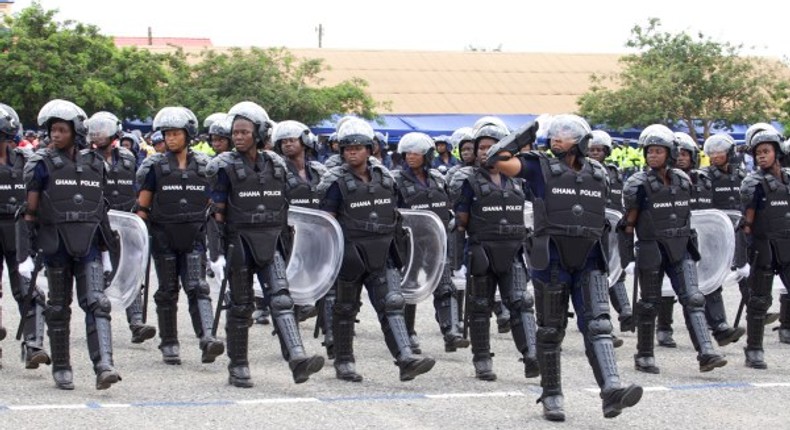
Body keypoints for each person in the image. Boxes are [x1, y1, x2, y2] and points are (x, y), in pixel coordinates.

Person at [487, 114, 642, 421]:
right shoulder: (537, 166)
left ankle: (611, 391)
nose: (557, 137)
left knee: (598, 324)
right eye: (554, 134)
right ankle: (552, 394)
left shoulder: (599, 172)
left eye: (566, 133)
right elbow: (497, 159)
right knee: (549, 331)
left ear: (582, 141)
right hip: (553, 257)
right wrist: (523, 135)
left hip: (590, 257)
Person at [206, 102, 324, 387]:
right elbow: (216, 212)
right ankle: (238, 366)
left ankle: (297, 359)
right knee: (241, 306)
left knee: (282, 300)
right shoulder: (222, 166)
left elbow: (286, 204)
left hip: (272, 241)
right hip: (239, 244)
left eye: (245, 131)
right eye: (236, 132)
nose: (239, 136)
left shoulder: (277, 164)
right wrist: (218, 251)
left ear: (258, 133)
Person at [317, 118, 435, 382]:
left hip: (383, 251)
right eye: (347, 148)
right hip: (349, 255)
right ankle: (344, 362)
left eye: (358, 147)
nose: (352, 152)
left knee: (393, 304)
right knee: (346, 309)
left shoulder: (385, 178)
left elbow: (401, 213)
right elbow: (326, 222)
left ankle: (405, 358)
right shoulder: (334, 181)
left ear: (370, 149)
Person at [20, 99, 121, 390]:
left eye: (61, 130)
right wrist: (26, 252)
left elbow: (101, 208)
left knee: (97, 303)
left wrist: (108, 251)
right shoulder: (40, 164)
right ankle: (62, 367)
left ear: (76, 132)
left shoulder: (94, 163)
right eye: (52, 130)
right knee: (58, 308)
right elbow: (30, 212)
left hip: (88, 242)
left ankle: (104, 366)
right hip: (56, 245)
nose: (55, 135)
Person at [619, 124, 728, 376]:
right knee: (649, 305)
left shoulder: (683, 179)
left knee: (694, 298)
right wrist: (628, 257)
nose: (653, 155)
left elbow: (685, 215)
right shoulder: (637, 183)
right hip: (651, 248)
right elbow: (628, 222)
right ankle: (644, 355)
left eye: (658, 151)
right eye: (649, 151)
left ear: (669, 153)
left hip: (681, 246)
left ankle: (706, 352)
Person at [134, 106, 225, 366]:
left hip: (194, 236)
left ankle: (208, 338)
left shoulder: (205, 166)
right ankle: (169, 342)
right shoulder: (154, 166)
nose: (170, 139)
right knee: (167, 291)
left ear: (188, 134)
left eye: (175, 134)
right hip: (164, 237)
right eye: (167, 134)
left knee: (198, 287)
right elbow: (143, 206)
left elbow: (215, 201)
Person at [450, 121, 539, 381]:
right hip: (482, 252)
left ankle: (531, 354)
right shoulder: (466, 180)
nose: (485, 151)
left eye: (491, 147)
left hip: (513, 251)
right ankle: (482, 359)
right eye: (482, 147)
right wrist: (456, 258)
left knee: (521, 303)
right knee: (479, 308)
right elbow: (460, 221)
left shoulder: (518, 181)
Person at [392, 132, 470, 353]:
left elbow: (449, 206)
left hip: (436, 242)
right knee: (408, 289)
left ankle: (451, 332)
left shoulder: (437, 178)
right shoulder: (395, 180)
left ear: (427, 155)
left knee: (445, 287)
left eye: (416, 152)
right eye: (407, 153)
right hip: (409, 245)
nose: (410, 156)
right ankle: (407, 334)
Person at [86, 111, 157, 345]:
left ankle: (136, 322)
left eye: (103, 129)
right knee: (98, 275)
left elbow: (137, 186)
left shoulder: (127, 157)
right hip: (96, 223)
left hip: (124, 222)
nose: (98, 134)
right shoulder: (85, 158)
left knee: (130, 271)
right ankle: (97, 320)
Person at [0, 103, 51, 370]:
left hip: (18, 228)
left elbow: (42, 194)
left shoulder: (26, 161)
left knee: (27, 286)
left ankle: (33, 344)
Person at [740, 128, 790, 369]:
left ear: (777, 152)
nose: (761, 156)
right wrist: (748, 252)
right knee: (759, 301)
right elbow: (747, 223)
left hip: (788, 243)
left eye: (766, 151)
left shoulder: (788, 178)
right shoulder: (753, 182)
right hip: (763, 246)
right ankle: (754, 349)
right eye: (758, 153)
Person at [586, 130, 633, 346]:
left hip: (611, 232)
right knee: (594, 279)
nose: (595, 153)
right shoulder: (581, 170)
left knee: (615, 272)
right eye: (591, 149)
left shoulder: (614, 173)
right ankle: (602, 327)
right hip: (587, 233)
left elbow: (619, 201)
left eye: (599, 150)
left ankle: (625, 313)